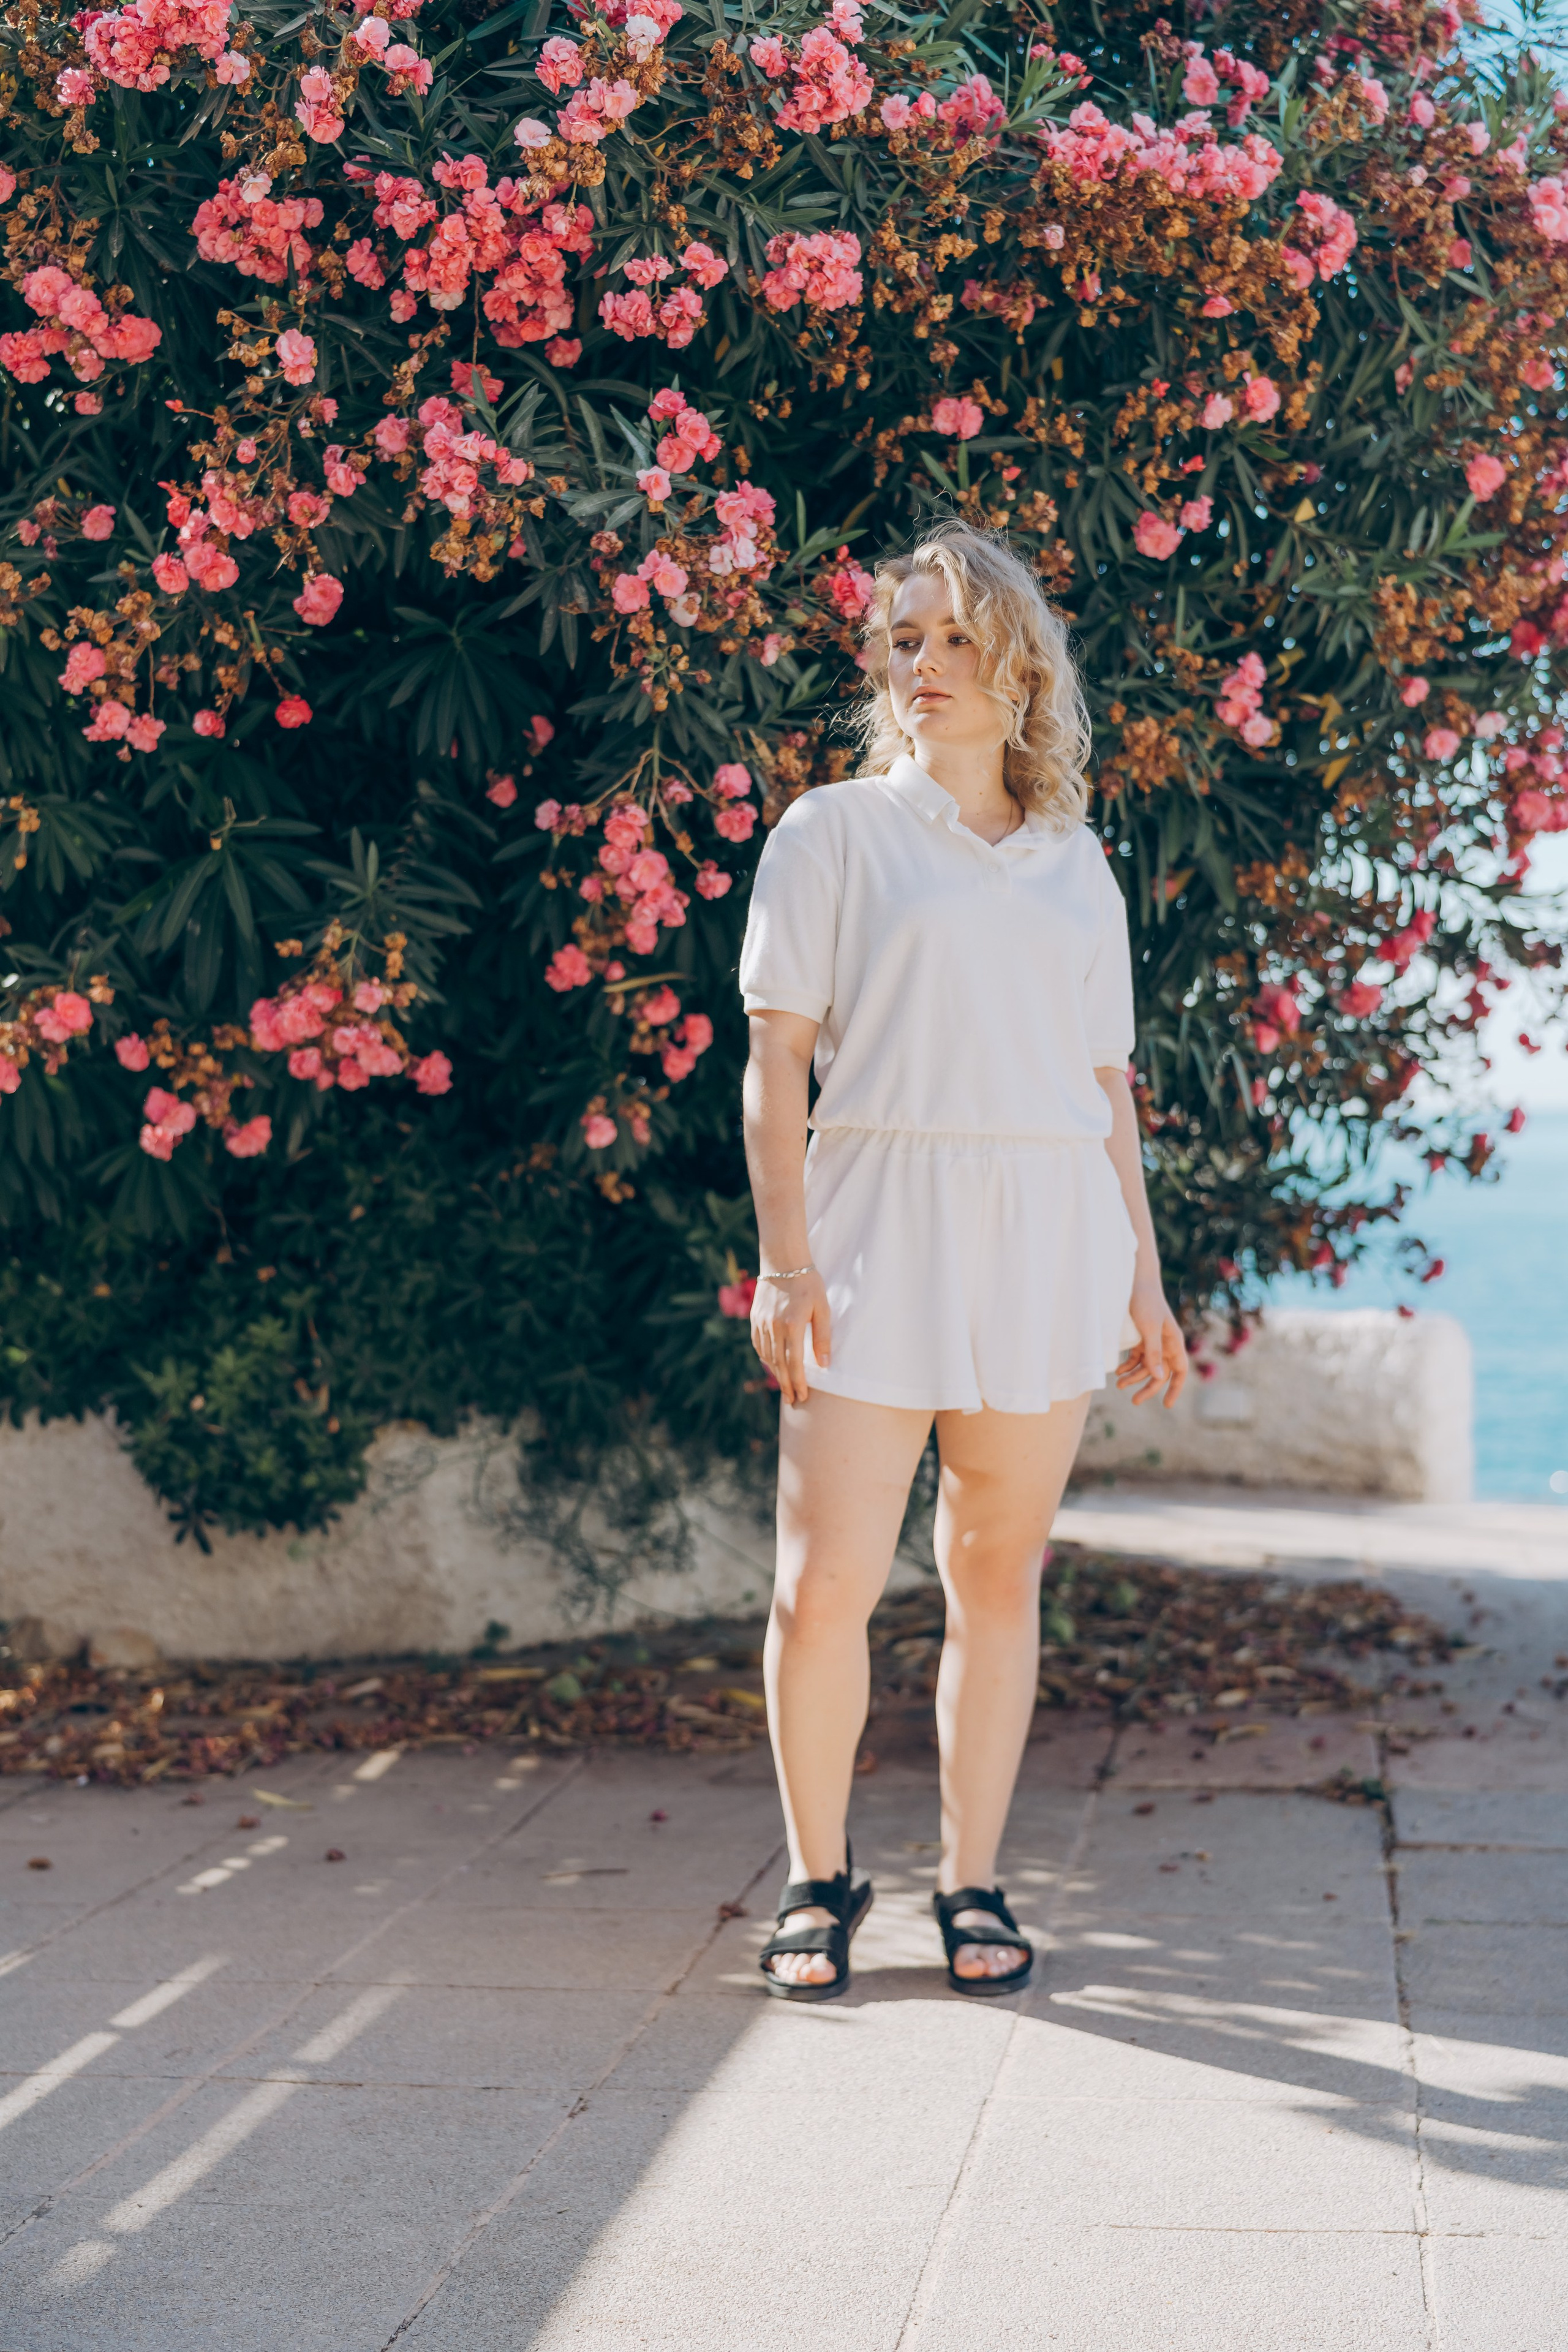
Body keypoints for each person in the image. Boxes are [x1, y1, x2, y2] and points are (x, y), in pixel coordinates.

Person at [737, 520, 1188, 2002]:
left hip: (1045, 1239)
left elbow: (1104, 1085)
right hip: (872, 1236)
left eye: (946, 639)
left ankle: (972, 1880)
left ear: (1015, 664)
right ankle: (815, 1881)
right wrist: (785, 1264)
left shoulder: (1074, 866)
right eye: (902, 640)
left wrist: (1143, 1278)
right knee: (823, 1585)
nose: (918, 665)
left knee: (997, 1576)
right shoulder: (832, 833)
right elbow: (775, 1062)